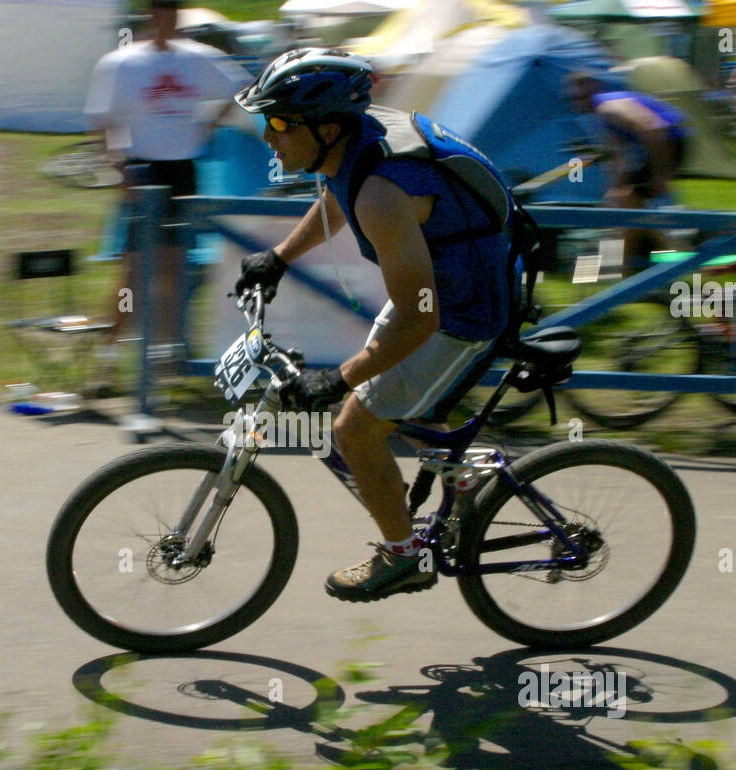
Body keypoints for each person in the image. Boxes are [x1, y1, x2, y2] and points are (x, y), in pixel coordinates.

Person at [232, 48, 519, 602]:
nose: (268, 136)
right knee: (390, 398)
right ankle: (461, 490)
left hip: (464, 312)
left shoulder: (385, 195)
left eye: (278, 123)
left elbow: (418, 319)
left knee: (353, 428)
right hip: (436, 289)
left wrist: (337, 380)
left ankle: (403, 559)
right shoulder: (352, 149)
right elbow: (339, 201)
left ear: (327, 127)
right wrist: (281, 257)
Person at [84, 0, 250, 387]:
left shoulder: (197, 58)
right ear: (149, 17)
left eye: (173, 14)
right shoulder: (122, 63)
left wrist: (211, 124)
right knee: (132, 271)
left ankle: (164, 357)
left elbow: (244, 88)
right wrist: (119, 170)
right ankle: (105, 362)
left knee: (174, 268)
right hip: (144, 169)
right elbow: (100, 121)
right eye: (160, 14)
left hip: (182, 170)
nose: (166, 22)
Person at [565, 73, 687, 272]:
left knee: (630, 201)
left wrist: (660, 174)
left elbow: (653, 128)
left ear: (592, 92)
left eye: (581, 97)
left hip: (669, 140)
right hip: (663, 140)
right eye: (573, 99)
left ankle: (667, 258)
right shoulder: (601, 116)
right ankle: (631, 265)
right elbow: (617, 156)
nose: (577, 103)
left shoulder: (608, 108)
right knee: (624, 199)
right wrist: (613, 188)